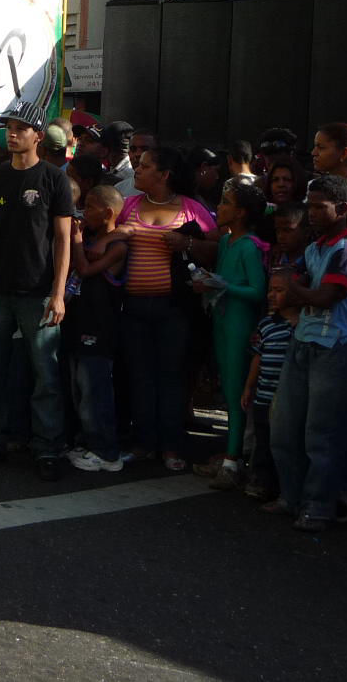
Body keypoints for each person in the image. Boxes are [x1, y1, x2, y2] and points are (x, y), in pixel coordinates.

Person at [0, 98, 75, 481]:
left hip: (39, 291)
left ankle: (48, 447)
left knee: (45, 371)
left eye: (21, 128)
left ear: (38, 136)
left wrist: (59, 293)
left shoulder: (54, 179)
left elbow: (64, 240)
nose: (12, 134)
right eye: (9, 127)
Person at [269, 174, 347, 533]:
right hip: (304, 342)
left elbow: (325, 297)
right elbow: (300, 287)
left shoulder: (345, 251)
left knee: (320, 435)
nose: (310, 212)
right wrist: (296, 288)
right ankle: (291, 498)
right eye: (308, 205)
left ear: (341, 209)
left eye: (317, 206)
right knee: (284, 429)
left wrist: (293, 288)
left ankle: (318, 506)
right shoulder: (316, 247)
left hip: (334, 349)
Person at [117, 146, 217, 470]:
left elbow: (216, 249)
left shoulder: (191, 209)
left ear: (164, 175)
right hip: (132, 307)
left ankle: (171, 447)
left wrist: (187, 244)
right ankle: (145, 444)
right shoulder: (129, 205)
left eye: (145, 166)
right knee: (140, 376)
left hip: (174, 308)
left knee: (171, 377)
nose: (138, 170)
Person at [198, 183, 269, 490]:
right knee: (228, 390)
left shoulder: (250, 246)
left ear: (241, 213)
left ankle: (233, 461)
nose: (221, 208)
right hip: (222, 319)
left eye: (226, 203)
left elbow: (257, 291)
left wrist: (222, 286)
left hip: (239, 323)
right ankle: (232, 454)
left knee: (238, 392)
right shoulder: (227, 242)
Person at [66, 184, 127, 472]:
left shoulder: (117, 247)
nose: (84, 212)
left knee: (95, 388)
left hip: (100, 328)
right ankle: (88, 441)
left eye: (90, 207)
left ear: (108, 213)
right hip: (80, 322)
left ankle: (106, 450)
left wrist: (76, 241)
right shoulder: (96, 238)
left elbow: (86, 269)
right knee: (79, 386)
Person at [243, 268, 297, 500]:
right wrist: (248, 386)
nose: (272, 295)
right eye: (270, 290)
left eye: (279, 290)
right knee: (263, 441)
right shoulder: (266, 324)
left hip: (288, 398)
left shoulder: (303, 325)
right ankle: (262, 482)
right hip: (264, 395)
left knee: (285, 443)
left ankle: (283, 485)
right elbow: (258, 356)